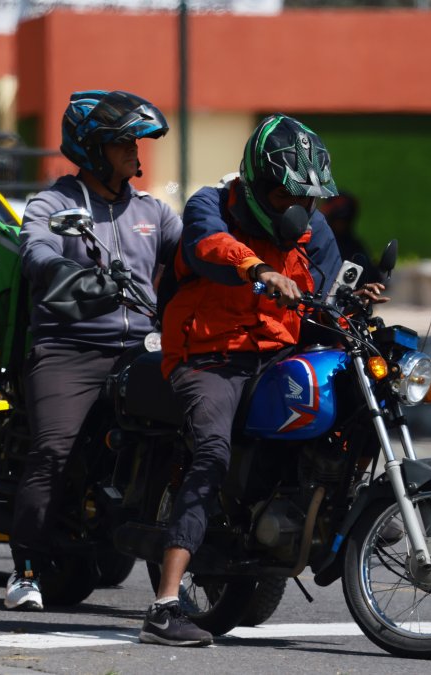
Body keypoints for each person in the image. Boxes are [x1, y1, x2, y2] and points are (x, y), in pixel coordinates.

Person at [143, 114, 385, 647]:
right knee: (212, 453)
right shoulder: (213, 203)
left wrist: (354, 298)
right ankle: (163, 605)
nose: (299, 209)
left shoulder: (309, 228)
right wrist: (257, 269)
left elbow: (324, 290)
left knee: (341, 414)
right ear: (255, 184)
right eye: (284, 195)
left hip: (275, 356)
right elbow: (206, 244)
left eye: (308, 198)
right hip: (208, 358)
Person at [5, 90, 181, 611]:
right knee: (53, 451)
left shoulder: (152, 210)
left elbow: (193, 251)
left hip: (141, 348)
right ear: (93, 148)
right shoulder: (56, 204)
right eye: (123, 142)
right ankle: (26, 570)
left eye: (136, 141)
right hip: (70, 347)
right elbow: (35, 247)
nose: (135, 150)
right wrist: (63, 270)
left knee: (189, 435)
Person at [319, 191, 380, 285]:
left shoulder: (354, 247)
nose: (341, 224)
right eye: (338, 220)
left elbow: (372, 275)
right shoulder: (318, 243)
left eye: (344, 220)